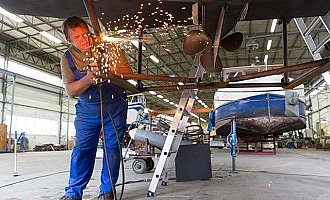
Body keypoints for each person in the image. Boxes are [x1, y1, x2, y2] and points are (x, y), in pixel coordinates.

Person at [60, 16, 132, 200]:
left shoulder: (108, 47)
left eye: (85, 34)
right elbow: (70, 90)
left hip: (114, 106)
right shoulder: (67, 58)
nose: (84, 39)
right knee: (82, 149)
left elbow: (129, 74)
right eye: (77, 37)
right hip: (87, 110)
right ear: (69, 40)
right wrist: (88, 78)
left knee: (112, 148)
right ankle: (73, 193)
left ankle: (107, 191)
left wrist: (108, 70)